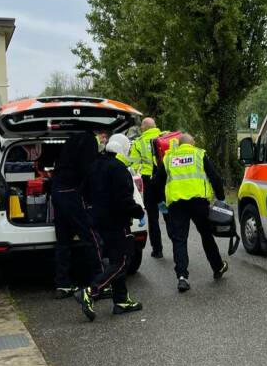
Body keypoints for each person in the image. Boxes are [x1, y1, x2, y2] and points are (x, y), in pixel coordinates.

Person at [78, 134, 146, 321]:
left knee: (116, 259)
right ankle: (91, 291)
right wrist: (139, 212)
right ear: (123, 148)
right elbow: (123, 200)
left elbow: (83, 192)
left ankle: (121, 299)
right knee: (122, 261)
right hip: (117, 222)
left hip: (99, 221)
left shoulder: (95, 165)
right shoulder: (119, 169)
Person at [158, 132, 227, 293]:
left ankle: (182, 277)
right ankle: (218, 267)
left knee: (179, 240)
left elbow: (158, 181)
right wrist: (221, 198)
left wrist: (161, 200)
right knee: (206, 235)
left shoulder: (169, 158)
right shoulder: (199, 154)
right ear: (192, 143)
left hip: (176, 204)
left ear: (179, 144)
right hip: (199, 203)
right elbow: (215, 177)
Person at [51, 130, 104, 299]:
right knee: (91, 236)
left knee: (63, 240)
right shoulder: (88, 140)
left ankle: (63, 284)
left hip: (57, 190)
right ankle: (100, 281)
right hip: (72, 191)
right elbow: (87, 170)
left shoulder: (71, 139)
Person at [125, 118, 165, 259]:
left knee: (153, 217)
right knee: (168, 214)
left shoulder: (139, 143)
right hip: (165, 182)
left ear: (144, 128)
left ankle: (157, 250)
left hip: (150, 183)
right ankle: (178, 243)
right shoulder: (165, 137)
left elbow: (133, 166)